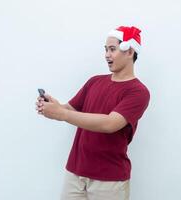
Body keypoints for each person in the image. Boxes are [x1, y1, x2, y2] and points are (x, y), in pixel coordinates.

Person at [35, 26, 150, 200]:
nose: (106, 55)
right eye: (105, 49)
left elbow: (110, 124)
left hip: (109, 181)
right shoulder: (94, 81)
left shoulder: (138, 92)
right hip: (75, 173)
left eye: (112, 49)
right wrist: (53, 107)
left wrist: (61, 113)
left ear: (129, 51)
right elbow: (69, 109)